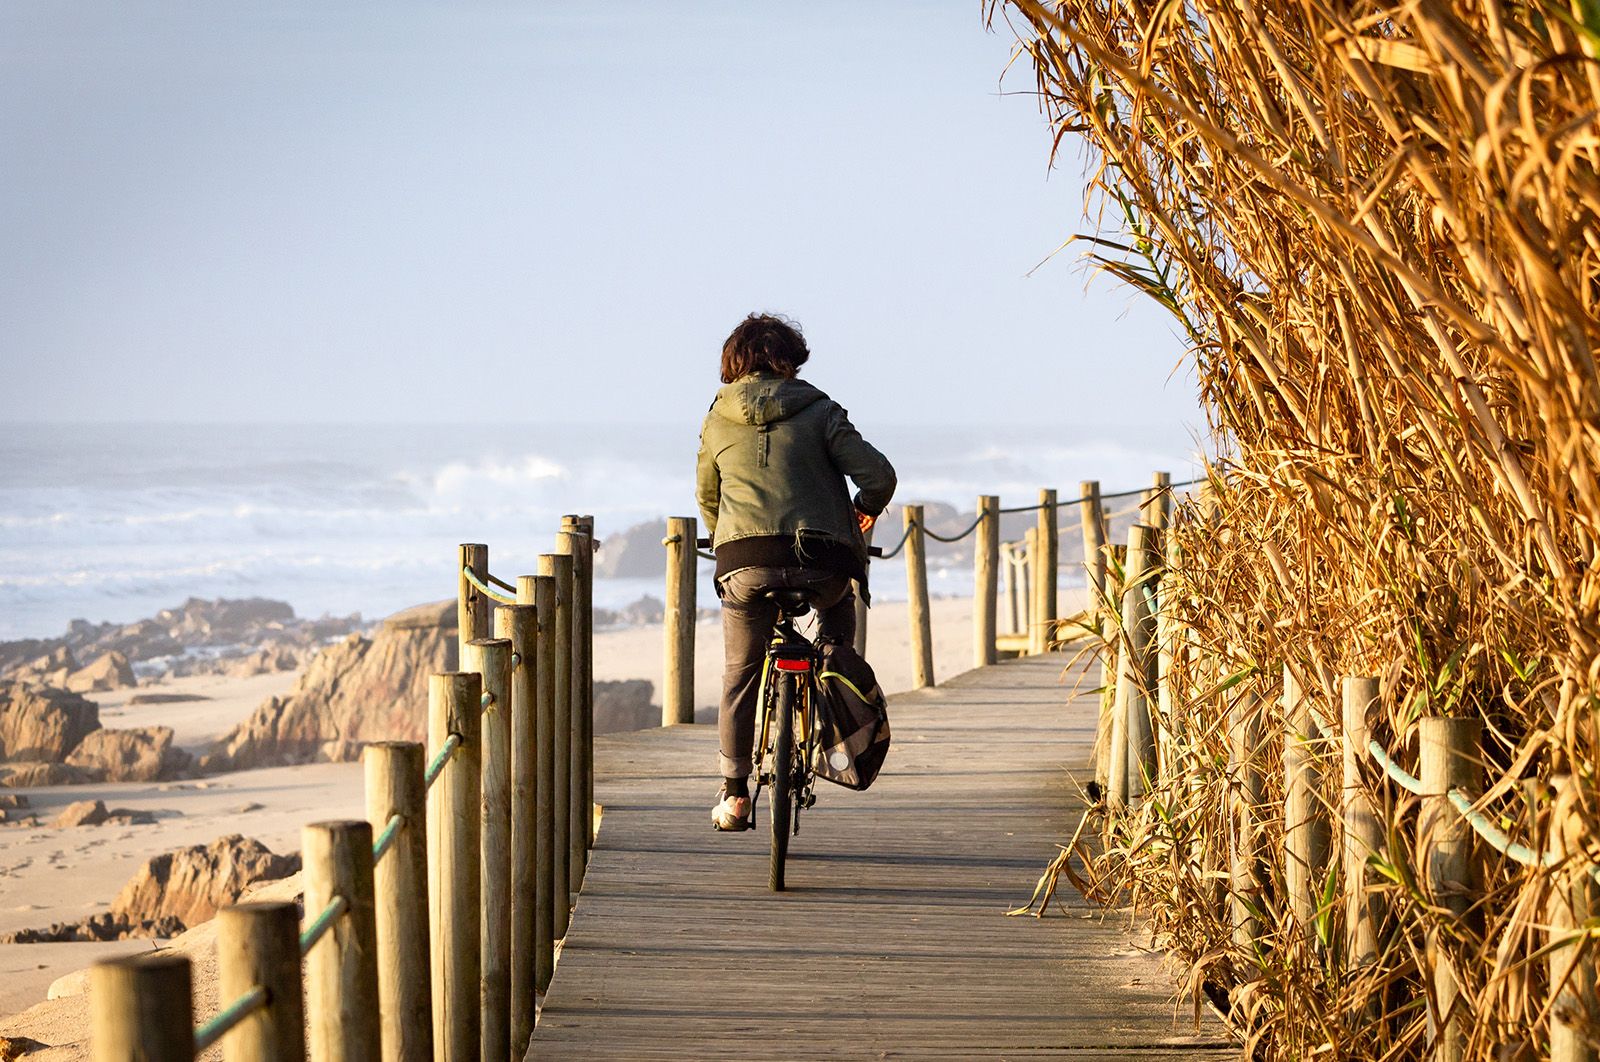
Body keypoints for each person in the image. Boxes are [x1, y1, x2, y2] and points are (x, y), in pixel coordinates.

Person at [696, 313, 896, 830]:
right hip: (821, 562)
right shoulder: (821, 410)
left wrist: (730, 540)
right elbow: (878, 474)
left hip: (746, 565)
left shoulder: (716, 419)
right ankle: (834, 713)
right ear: (790, 361)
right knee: (835, 629)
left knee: (740, 674)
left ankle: (735, 795)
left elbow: (708, 497)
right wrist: (863, 509)